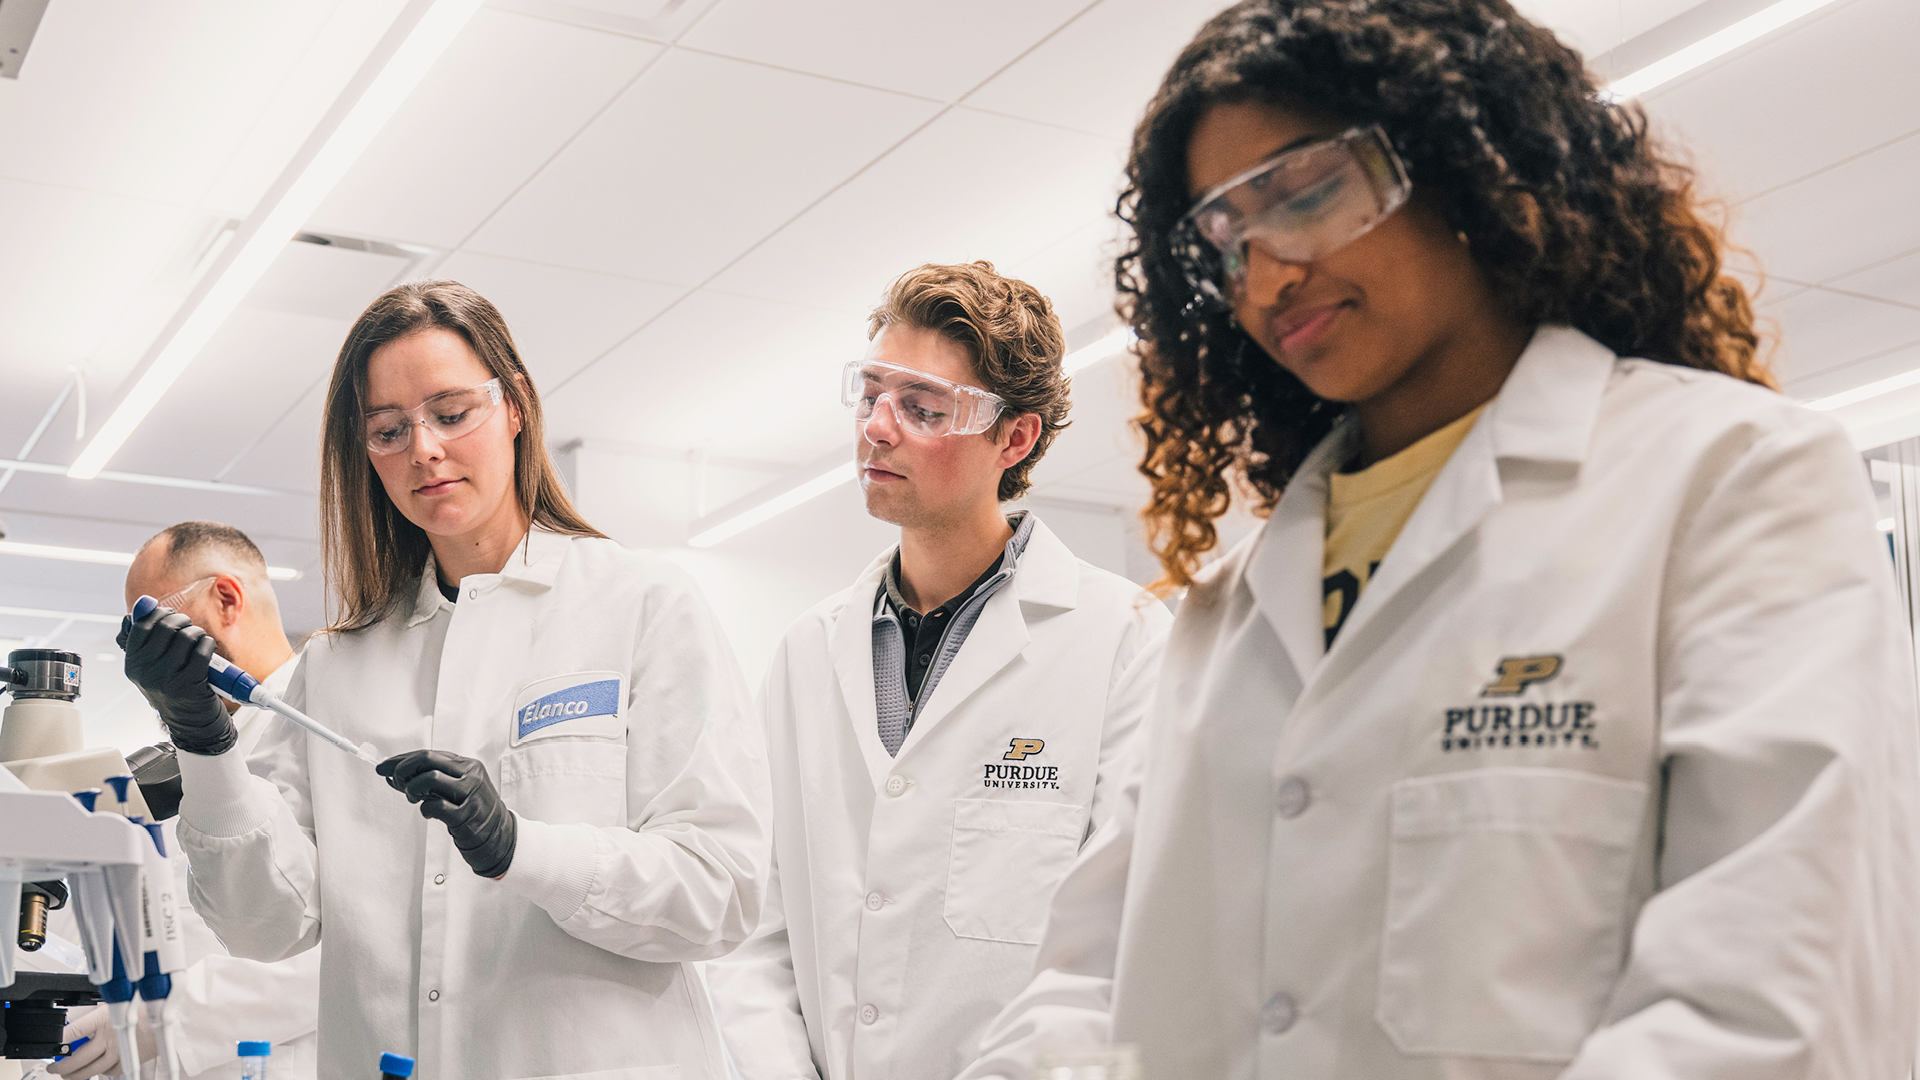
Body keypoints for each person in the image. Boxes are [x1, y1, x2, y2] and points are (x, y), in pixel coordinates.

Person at [961, 2, 1920, 1078]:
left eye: (1306, 193)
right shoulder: (1227, 612)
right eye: (1225, 241)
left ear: (1468, 161)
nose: (1267, 277)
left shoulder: (1730, 480)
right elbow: (1087, 986)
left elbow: (1774, 1013)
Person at [117, 280, 769, 1080]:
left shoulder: (640, 604)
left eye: (452, 413)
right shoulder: (339, 663)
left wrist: (523, 848)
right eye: (389, 430)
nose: (423, 449)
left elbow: (722, 891)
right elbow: (268, 927)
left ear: (516, 405)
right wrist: (204, 741)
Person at [705, 262, 1171, 1079]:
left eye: (922, 407)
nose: (878, 428)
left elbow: (1126, 937)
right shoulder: (807, 652)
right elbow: (755, 925)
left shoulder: (1124, 642)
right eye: (870, 396)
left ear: (1014, 439)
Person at [54, 522, 321, 1080]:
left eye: (153, 625)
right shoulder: (190, 756)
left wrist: (164, 1018)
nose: (145, 654)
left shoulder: (322, 727)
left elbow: (349, 948)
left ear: (225, 599)